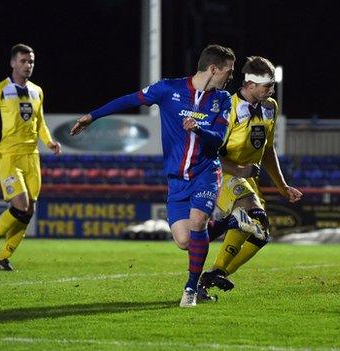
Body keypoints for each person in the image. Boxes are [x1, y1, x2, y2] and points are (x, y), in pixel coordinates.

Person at [70, 44, 257, 307]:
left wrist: (199, 130)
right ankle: (231, 222)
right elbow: (130, 99)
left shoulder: (223, 99)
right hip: (177, 179)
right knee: (183, 241)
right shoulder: (169, 89)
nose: (231, 76)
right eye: (228, 70)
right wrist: (93, 116)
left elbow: (217, 141)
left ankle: (190, 289)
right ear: (213, 69)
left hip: (206, 171)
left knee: (198, 220)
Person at [198, 56, 302, 299]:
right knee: (253, 216)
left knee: (261, 233)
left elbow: (267, 151)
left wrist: (283, 186)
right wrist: (239, 171)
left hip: (248, 178)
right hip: (222, 174)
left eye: (273, 86)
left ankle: (213, 274)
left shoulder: (270, 107)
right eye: (267, 86)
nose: (271, 91)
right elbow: (209, 152)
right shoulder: (228, 108)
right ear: (251, 84)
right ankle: (200, 239)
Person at [0, 44, 62, 271]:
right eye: (23, 61)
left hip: (32, 156)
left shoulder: (38, 91)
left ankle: (4, 256)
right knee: (20, 204)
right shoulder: (0, 90)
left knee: (29, 210)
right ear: (13, 63)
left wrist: (49, 141)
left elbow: (40, 123)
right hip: (8, 155)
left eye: (31, 61)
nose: (28, 65)